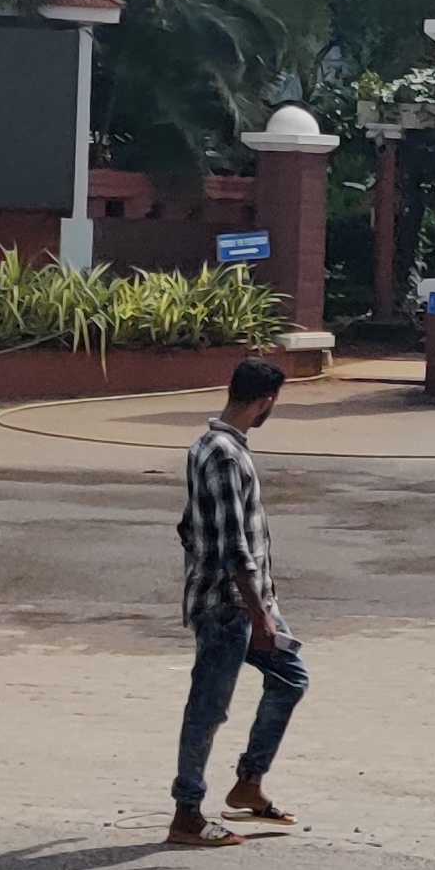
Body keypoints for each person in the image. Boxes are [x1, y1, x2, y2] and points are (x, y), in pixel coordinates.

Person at [169, 354, 309, 844]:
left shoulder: (206, 445)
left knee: (290, 678)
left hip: (247, 601)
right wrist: (259, 615)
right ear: (266, 402)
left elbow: (190, 525)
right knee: (208, 707)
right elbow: (233, 545)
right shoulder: (226, 455)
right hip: (229, 607)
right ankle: (187, 812)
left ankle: (249, 783)